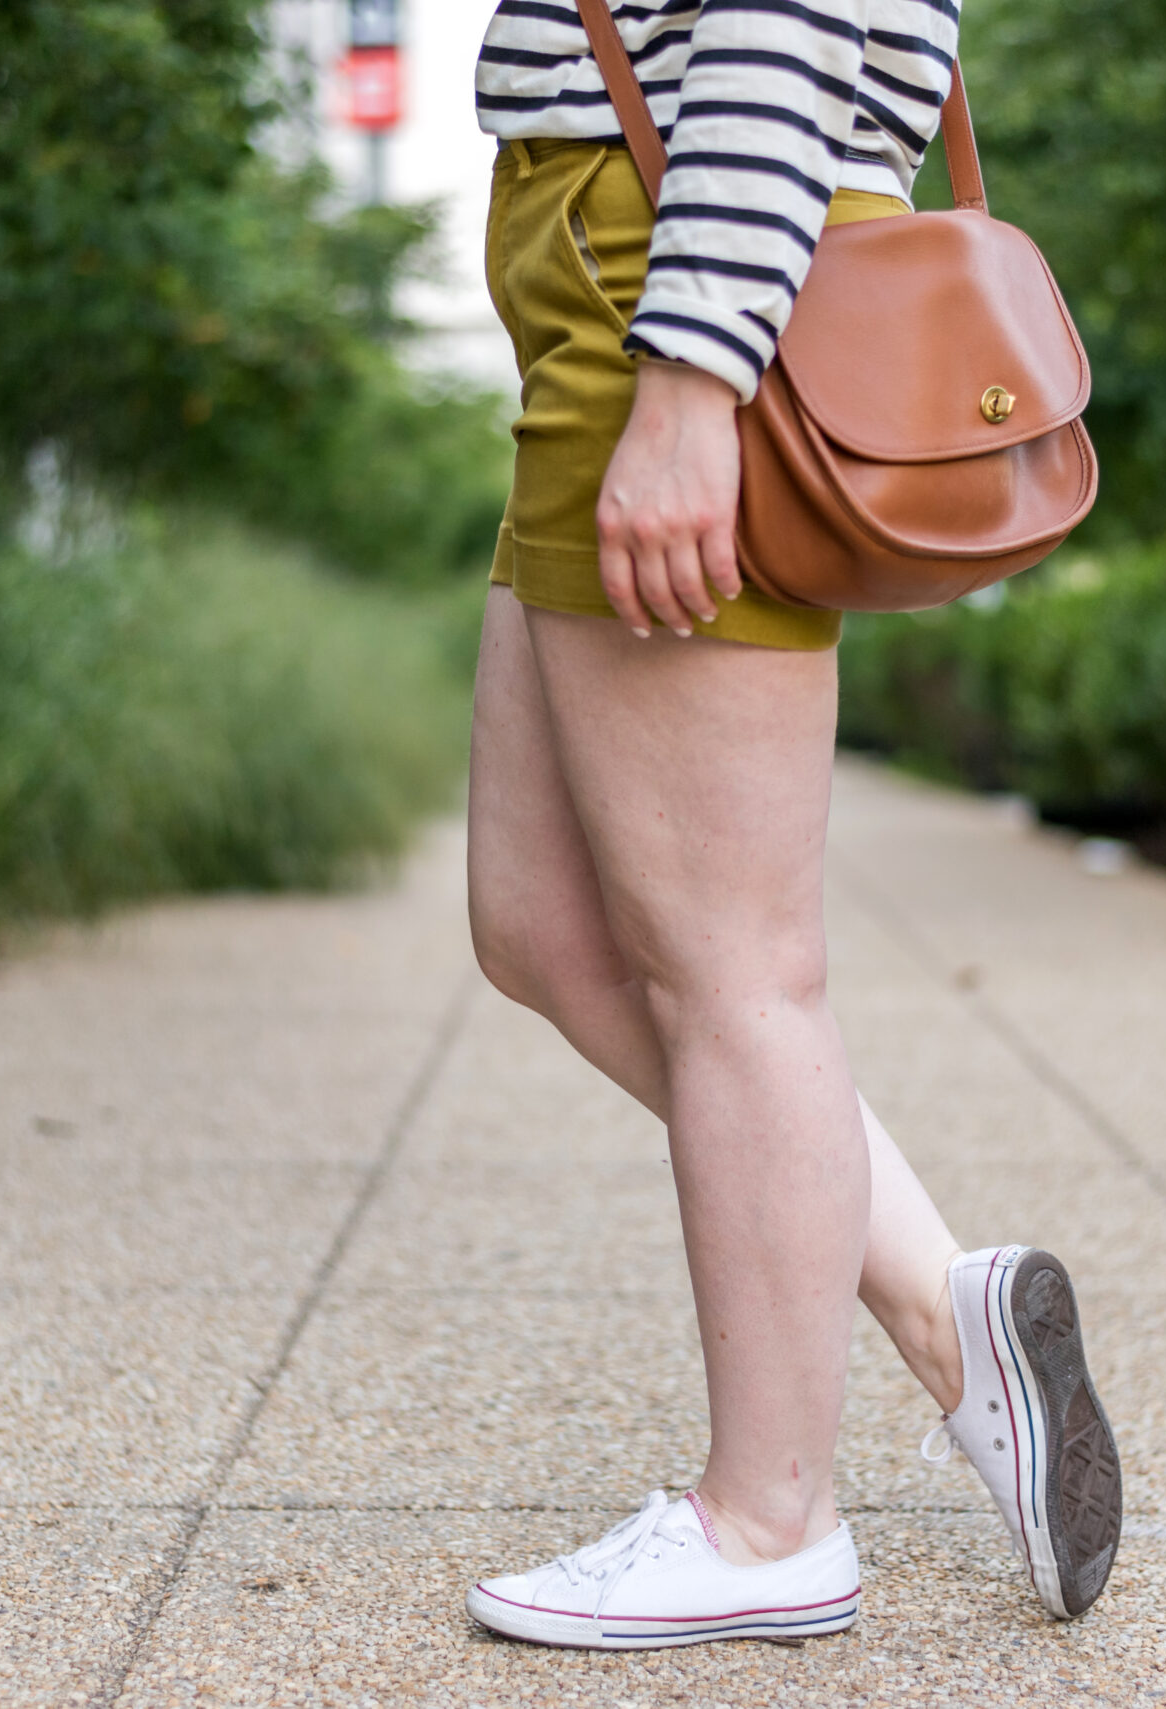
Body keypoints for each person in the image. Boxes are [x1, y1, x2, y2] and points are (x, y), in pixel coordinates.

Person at [460, 0, 1121, 1650]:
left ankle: (770, 1521)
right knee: (539, 922)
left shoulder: (694, 299)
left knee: (734, 962)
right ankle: (949, 1312)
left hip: (687, 240)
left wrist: (694, 371)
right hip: (606, 245)